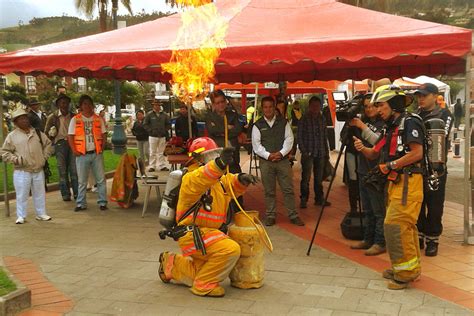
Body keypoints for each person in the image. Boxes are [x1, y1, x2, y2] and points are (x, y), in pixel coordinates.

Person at [158, 137, 258, 297]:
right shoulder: (191, 179)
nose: (213, 159)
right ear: (198, 158)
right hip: (194, 235)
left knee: (199, 270)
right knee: (230, 249)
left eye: (215, 156)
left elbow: (228, 183)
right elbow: (202, 177)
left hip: (206, 236)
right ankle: (204, 285)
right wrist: (218, 164)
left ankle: (171, 263)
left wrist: (241, 180)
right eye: (210, 156)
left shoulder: (215, 180)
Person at [353, 84, 424, 290]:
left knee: (396, 225)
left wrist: (391, 165)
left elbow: (416, 153)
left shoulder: (410, 122)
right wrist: (363, 148)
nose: (378, 110)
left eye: (381, 105)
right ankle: (404, 268)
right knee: (398, 226)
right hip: (396, 183)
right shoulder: (391, 126)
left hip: (409, 183)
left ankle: (405, 274)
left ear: (393, 104)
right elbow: (375, 153)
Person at [252, 96, 304, 226]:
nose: (268, 109)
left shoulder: (283, 122)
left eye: (270, 106)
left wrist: (280, 153)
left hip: (283, 161)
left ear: (274, 107)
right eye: (265, 107)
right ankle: (270, 215)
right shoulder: (257, 125)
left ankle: (293, 214)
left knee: (288, 189)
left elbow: (289, 139)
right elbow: (256, 145)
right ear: (262, 108)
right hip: (266, 162)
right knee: (269, 190)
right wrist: (269, 155)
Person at [415, 83, 453, 257]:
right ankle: (420, 235)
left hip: (436, 169)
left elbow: (441, 137)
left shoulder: (445, 114)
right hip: (417, 166)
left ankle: (433, 239)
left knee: (435, 205)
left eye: (424, 95)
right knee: (419, 203)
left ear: (434, 96)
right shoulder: (416, 114)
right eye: (419, 96)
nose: (420, 99)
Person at [349, 94, 386, 256]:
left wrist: (362, 126)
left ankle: (380, 242)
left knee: (378, 210)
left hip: (377, 172)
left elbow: (377, 142)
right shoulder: (364, 122)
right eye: (366, 106)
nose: (369, 109)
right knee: (367, 209)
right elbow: (347, 141)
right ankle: (367, 238)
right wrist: (351, 123)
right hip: (363, 170)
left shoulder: (384, 123)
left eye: (372, 105)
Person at [1, 108, 53, 224]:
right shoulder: (12, 136)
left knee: (39, 193)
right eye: (21, 119)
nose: (25, 120)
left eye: (25, 118)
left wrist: (44, 157)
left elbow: (48, 144)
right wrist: (15, 159)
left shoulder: (37, 132)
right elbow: (4, 152)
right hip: (22, 171)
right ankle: (21, 216)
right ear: (16, 122)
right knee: (22, 194)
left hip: (38, 169)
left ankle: (41, 213)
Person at [68, 94, 108, 212]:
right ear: (80, 106)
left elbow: (104, 133)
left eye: (89, 103)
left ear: (92, 105)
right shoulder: (75, 119)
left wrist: (102, 147)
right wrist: (74, 150)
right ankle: (81, 203)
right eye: (84, 103)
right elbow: (70, 136)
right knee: (82, 181)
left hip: (96, 153)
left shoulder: (98, 119)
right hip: (82, 154)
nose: (87, 106)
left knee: (100, 179)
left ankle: (102, 202)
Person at [298, 96, 331, 208]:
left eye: (317, 106)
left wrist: (327, 152)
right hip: (308, 153)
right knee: (305, 178)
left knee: (319, 178)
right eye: (313, 106)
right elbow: (299, 136)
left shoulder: (322, 119)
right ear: (309, 106)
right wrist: (304, 151)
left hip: (320, 152)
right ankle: (304, 199)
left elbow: (324, 136)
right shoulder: (304, 119)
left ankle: (319, 198)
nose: (315, 108)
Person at [44, 94, 78, 202]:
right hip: (60, 144)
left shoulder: (74, 116)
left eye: (66, 102)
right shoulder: (52, 117)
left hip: (72, 143)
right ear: (58, 104)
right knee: (62, 170)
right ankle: (65, 194)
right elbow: (46, 133)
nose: (65, 105)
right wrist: (51, 135)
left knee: (74, 169)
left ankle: (77, 193)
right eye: (62, 102)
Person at [206, 90, 242, 174]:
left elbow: (237, 129)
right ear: (213, 104)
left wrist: (221, 132)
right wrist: (228, 127)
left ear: (225, 101)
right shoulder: (210, 117)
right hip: (217, 157)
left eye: (222, 101)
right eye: (217, 103)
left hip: (233, 157)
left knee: (235, 182)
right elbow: (213, 131)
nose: (221, 105)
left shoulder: (233, 115)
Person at [144, 100, 171, 172]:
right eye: (156, 105)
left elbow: (168, 124)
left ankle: (162, 165)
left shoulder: (164, 115)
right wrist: (150, 130)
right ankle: (152, 166)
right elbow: (145, 124)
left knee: (161, 152)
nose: (157, 106)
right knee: (152, 152)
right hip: (153, 136)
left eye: (158, 105)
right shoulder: (149, 115)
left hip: (162, 136)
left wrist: (165, 130)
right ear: (153, 106)